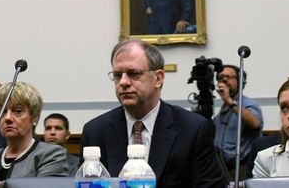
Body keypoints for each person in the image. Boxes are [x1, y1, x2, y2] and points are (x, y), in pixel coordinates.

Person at [80, 39, 225, 188]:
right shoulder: (95, 131)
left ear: (158, 78)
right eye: (117, 75)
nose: (123, 82)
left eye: (133, 73)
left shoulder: (193, 129)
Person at [0, 82, 68, 187]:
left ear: (35, 118)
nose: (8, 118)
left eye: (17, 111)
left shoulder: (51, 155)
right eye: (3, 111)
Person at [212, 64, 262, 178]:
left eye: (229, 77)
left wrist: (230, 101)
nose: (224, 80)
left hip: (242, 166)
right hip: (223, 167)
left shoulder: (248, 103)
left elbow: (255, 123)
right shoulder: (224, 107)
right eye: (221, 77)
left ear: (240, 82)